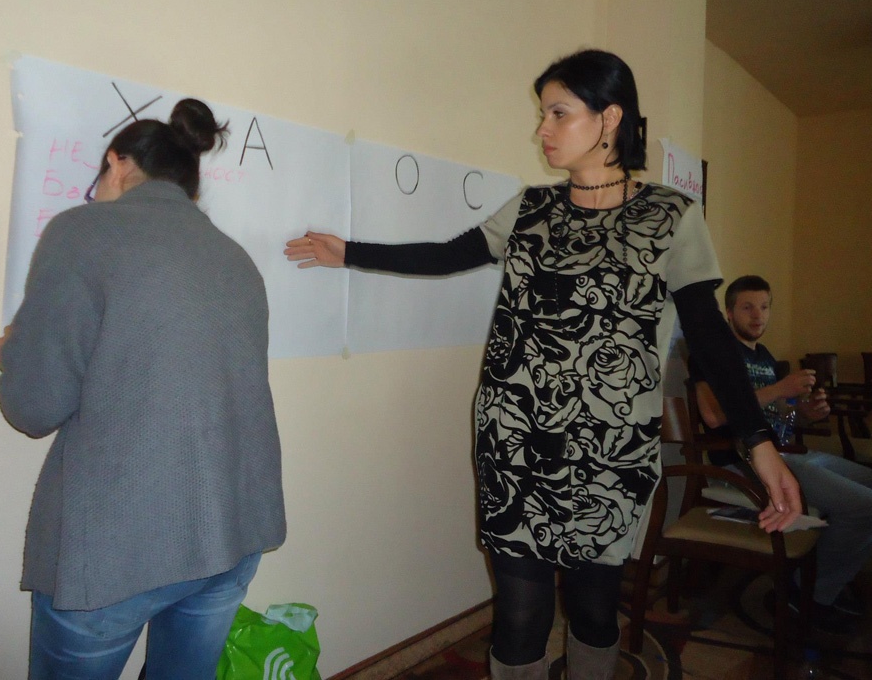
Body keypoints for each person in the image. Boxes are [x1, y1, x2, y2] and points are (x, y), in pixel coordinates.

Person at [284, 49, 801, 680]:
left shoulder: (670, 215)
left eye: (559, 113)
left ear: (610, 117)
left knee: (593, 610)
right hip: (513, 439)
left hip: (610, 453)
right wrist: (349, 252)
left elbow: (711, 338)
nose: (542, 129)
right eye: (543, 114)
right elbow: (448, 255)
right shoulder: (531, 208)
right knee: (520, 613)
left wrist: (758, 443)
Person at [0, 99, 286, 680]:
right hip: (232, 533)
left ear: (117, 163)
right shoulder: (236, 259)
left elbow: (33, 406)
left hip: (118, 547)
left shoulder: (82, 231)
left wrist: (11, 358)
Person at [691, 274, 872, 633]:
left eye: (764, 307)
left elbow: (782, 415)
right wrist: (779, 388)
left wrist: (807, 412)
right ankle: (805, 595)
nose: (757, 315)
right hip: (747, 463)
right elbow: (713, 416)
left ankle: (829, 573)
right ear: (729, 313)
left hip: (788, 453)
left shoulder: (765, 357)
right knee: (869, 509)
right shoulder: (715, 354)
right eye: (747, 307)